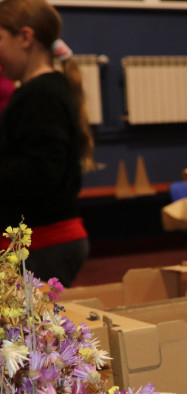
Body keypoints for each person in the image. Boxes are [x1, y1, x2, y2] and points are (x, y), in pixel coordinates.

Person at [0, 0, 93, 286]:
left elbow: (40, 173)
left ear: (25, 38)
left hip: (44, 242)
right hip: (39, 240)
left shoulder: (41, 95)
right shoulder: (37, 91)